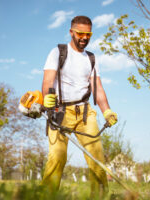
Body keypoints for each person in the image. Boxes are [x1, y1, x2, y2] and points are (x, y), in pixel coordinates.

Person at [41, 15, 118, 197]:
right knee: (57, 157)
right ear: (71, 32)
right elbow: (47, 81)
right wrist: (47, 98)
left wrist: (106, 110)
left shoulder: (91, 58)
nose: (84, 37)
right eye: (80, 33)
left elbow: (97, 88)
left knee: (97, 158)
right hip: (60, 111)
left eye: (88, 34)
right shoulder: (58, 52)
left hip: (84, 113)